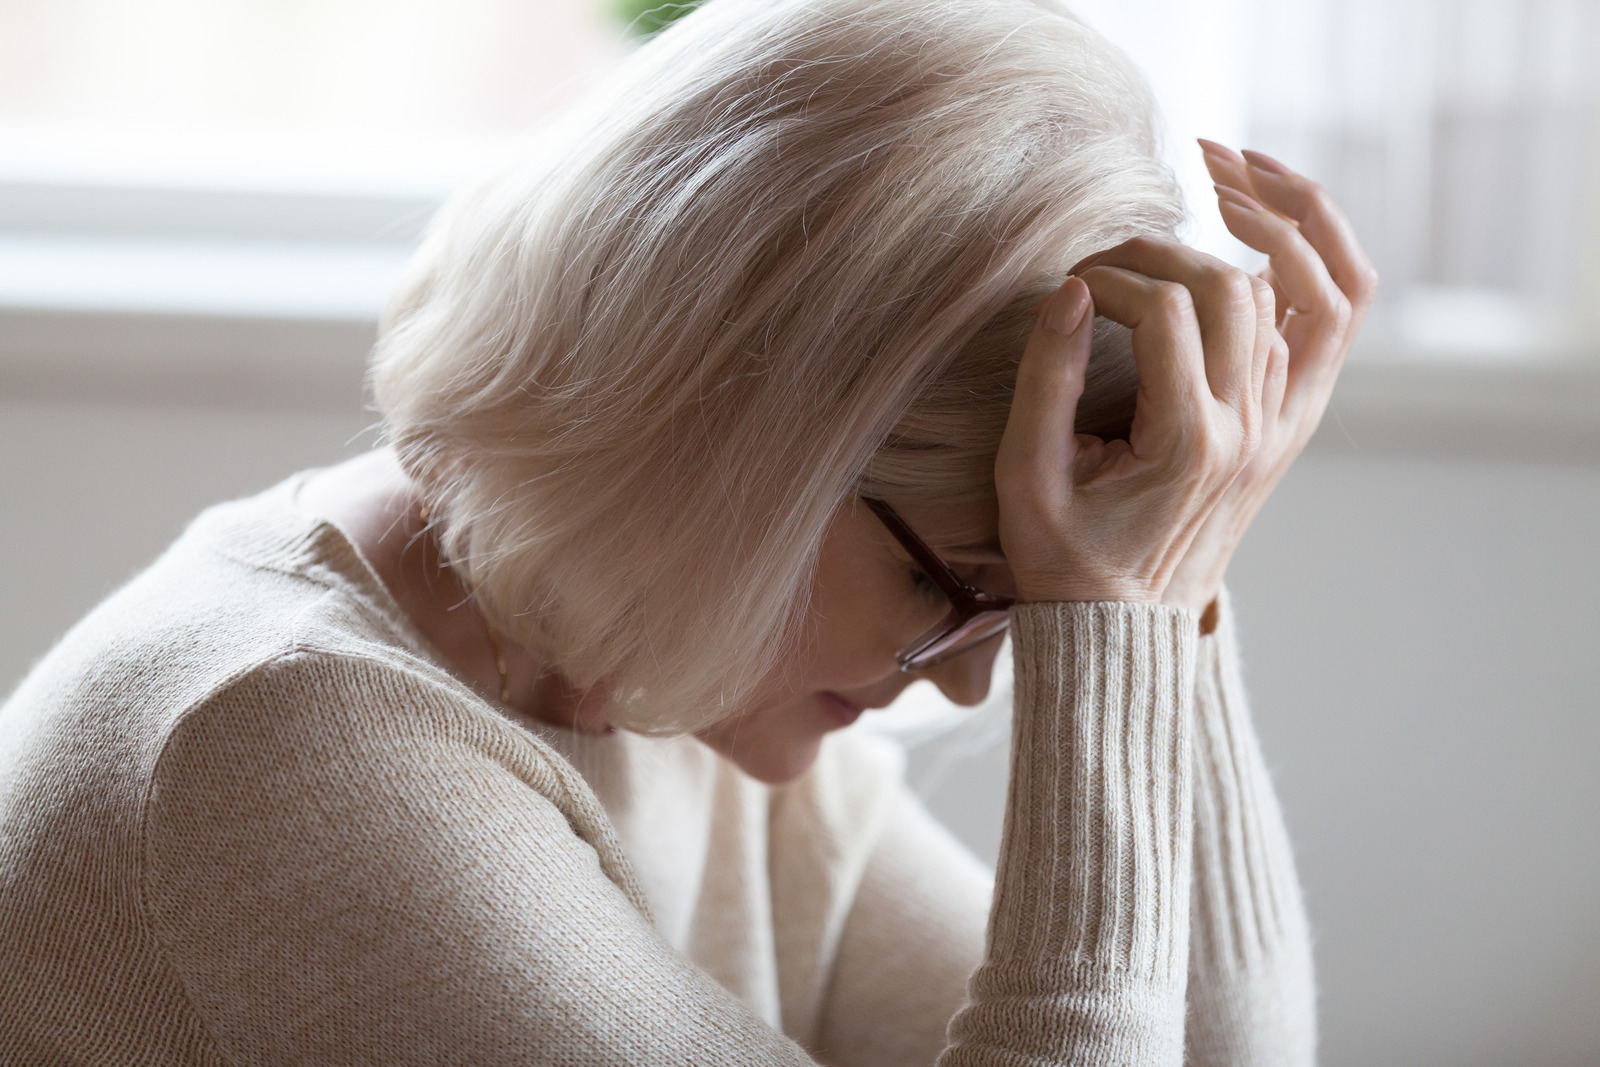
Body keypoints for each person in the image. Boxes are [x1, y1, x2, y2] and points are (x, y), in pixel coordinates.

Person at [0, 0, 1376, 1063]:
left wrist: (1176, 579)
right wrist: (1109, 626)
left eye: (1023, 610)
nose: (965, 679)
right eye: (959, 588)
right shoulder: (286, 754)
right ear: (743, 449)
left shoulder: (669, 658)